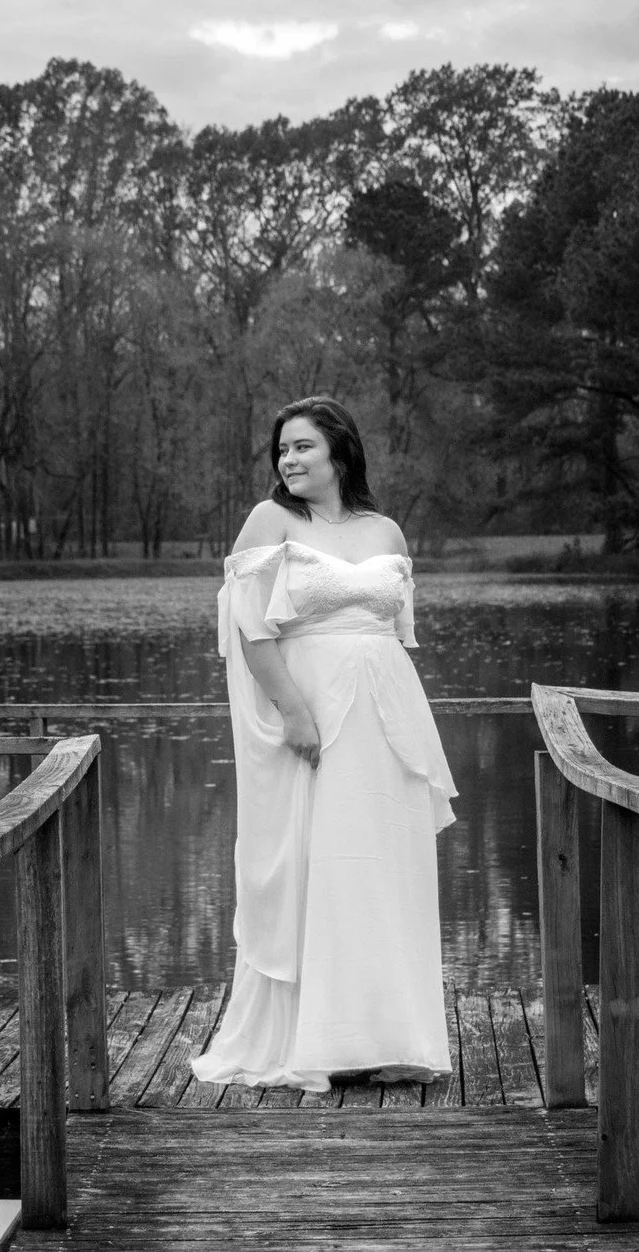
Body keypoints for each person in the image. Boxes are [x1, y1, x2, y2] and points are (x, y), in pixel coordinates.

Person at [191, 395, 457, 1091]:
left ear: (340, 449)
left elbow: (394, 632)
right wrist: (294, 710)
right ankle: (319, 1037)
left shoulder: (387, 532)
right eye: (282, 449)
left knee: (381, 869)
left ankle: (388, 1033)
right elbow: (251, 629)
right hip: (314, 719)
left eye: (303, 446)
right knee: (322, 864)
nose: (289, 459)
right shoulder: (271, 520)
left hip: (388, 721)